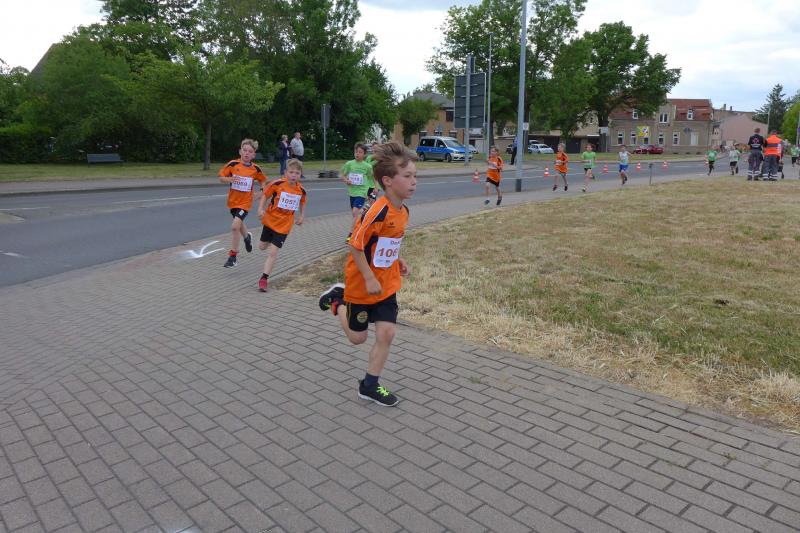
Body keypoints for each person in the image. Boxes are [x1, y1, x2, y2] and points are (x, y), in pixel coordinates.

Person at [318, 142, 417, 407]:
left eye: (414, 176)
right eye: (407, 176)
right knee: (357, 338)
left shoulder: (404, 211)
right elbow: (355, 245)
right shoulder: (376, 211)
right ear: (388, 181)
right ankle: (338, 300)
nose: (413, 182)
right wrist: (370, 277)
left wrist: (398, 259)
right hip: (362, 283)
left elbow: (388, 241)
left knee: (386, 333)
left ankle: (369, 385)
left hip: (387, 284)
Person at [255, 158, 307, 292]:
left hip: (284, 226)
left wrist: (301, 215)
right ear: (285, 173)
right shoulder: (277, 184)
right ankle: (270, 241)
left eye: (297, 173)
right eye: (291, 172)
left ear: (300, 174)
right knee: (262, 247)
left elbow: (302, 202)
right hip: (270, 221)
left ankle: (264, 279)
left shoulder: (301, 190)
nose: (294, 175)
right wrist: (260, 209)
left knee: (273, 252)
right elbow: (265, 196)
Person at [218, 139, 267, 268]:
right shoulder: (233, 164)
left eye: (250, 151)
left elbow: (263, 181)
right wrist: (229, 179)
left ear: (253, 155)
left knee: (235, 226)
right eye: (244, 150)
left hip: (245, 202)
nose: (246, 153)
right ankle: (247, 237)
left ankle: (233, 257)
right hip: (233, 202)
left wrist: (261, 191)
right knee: (239, 224)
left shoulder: (255, 169)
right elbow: (221, 178)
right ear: (240, 151)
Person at [340, 143, 376, 242]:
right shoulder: (349, 164)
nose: (357, 154)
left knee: (355, 212)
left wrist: (375, 187)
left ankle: (351, 235)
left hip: (362, 192)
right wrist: (346, 180)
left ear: (364, 154)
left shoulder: (367, 166)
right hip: (352, 192)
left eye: (360, 152)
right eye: (356, 152)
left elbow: (372, 177)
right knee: (354, 214)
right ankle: (366, 211)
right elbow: (343, 174)